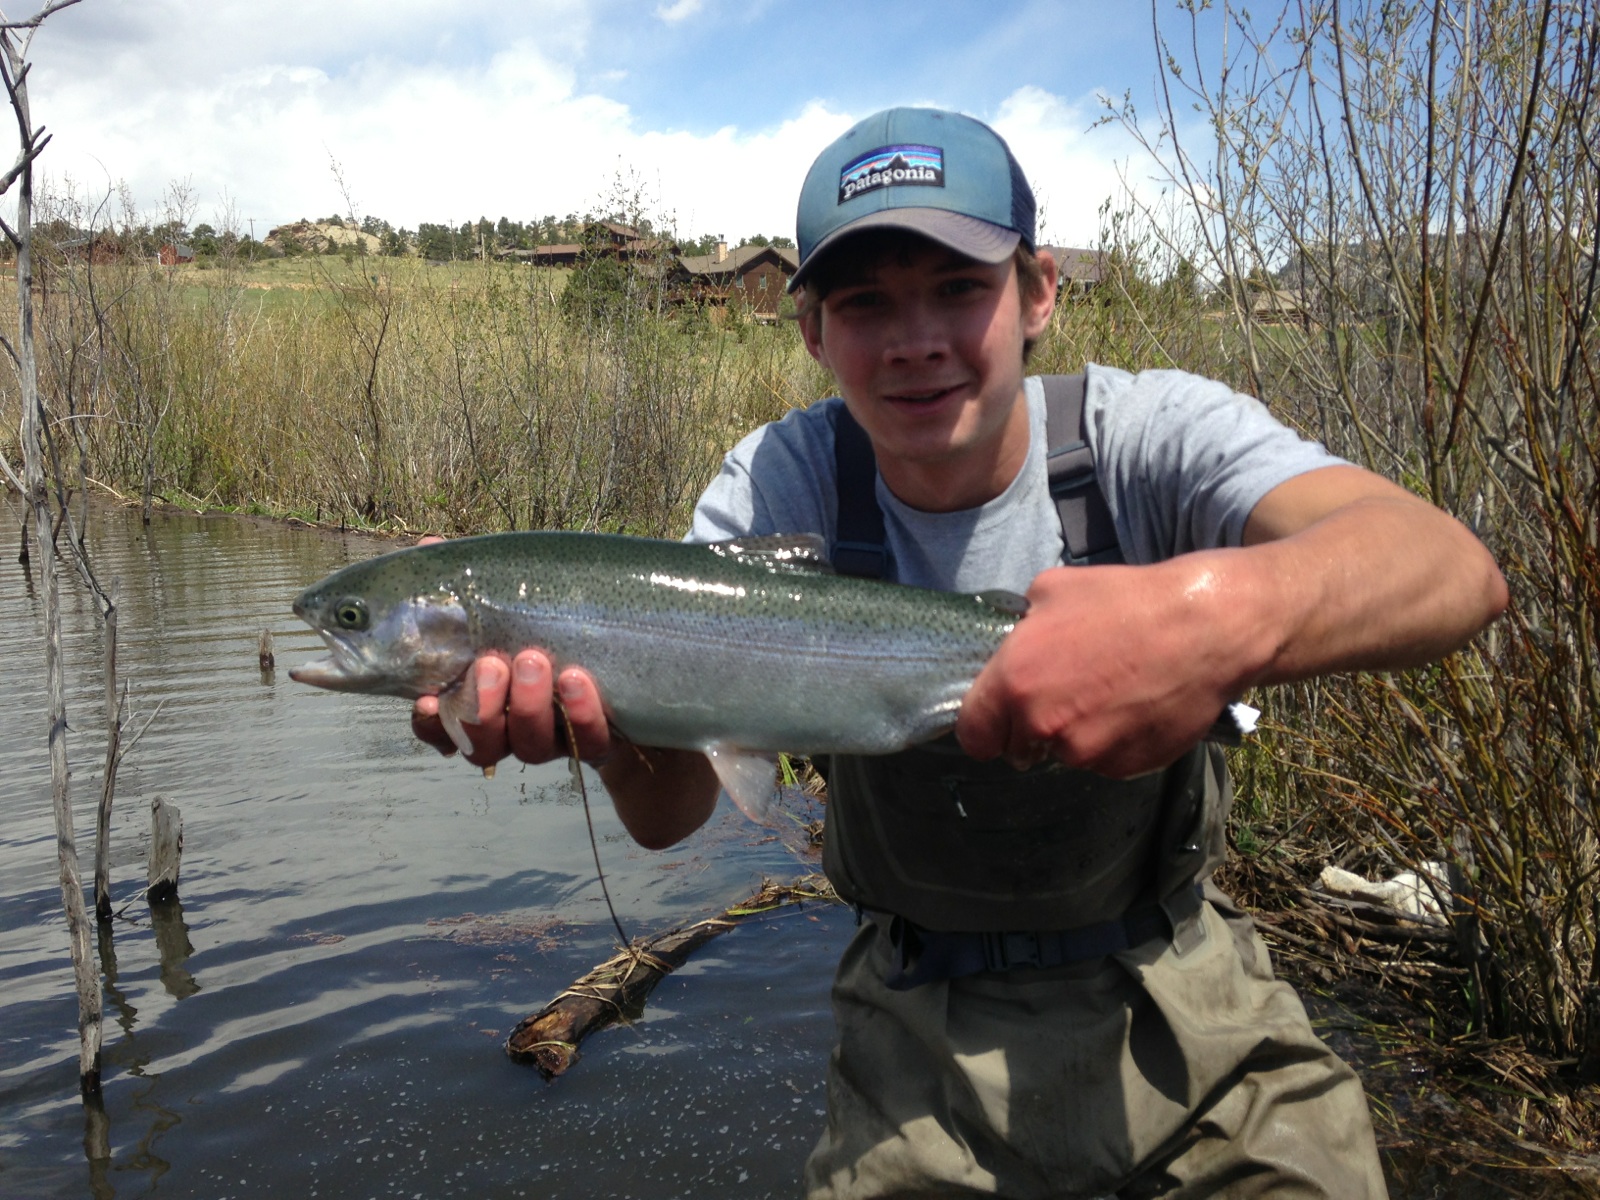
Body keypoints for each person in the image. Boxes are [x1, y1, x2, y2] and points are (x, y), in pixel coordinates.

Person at [413, 108, 1506, 1198]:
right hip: (913, 1041)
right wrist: (600, 735)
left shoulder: (1143, 437)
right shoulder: (779, 485)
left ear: (1037, 296)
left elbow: (1447, 569)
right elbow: (669, 817)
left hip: (1188, 1005)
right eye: (864, 303)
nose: (913, 339)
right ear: (812, 333)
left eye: (957, 288)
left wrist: (1202, 620)